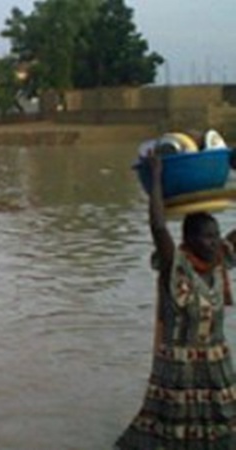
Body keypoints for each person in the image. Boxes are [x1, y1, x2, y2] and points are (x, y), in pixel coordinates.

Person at [115, 154, 236, 449]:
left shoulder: (220, 260)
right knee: (172, 434)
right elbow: (158, 227)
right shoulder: (176, 266)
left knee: (221, 429)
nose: (213, 241)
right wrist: (156, 178)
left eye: (215, 234)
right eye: (206, 237)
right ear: (189, 240)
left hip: (216, 363)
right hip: (179, 367)